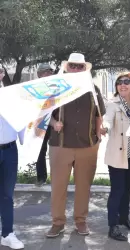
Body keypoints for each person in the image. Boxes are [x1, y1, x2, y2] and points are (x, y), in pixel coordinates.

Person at [46, 53, 106, 238]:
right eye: (73, 65)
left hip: (87, 146)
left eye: (80, 66)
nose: (76, 69)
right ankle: (57, 223)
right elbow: (44, 113)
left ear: (85, 69)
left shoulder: (93, 89)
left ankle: (81, 221)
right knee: (58, 187)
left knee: (83, 187)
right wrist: (54, 123)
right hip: (60, 145)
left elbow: (98, 114)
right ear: (67, 67)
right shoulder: (56, 87)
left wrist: (98, 132)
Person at [102, 72, 130, 241]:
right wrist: (104, 128)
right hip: (117, 154)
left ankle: (124, 218)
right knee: (117, 190)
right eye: (119, 82)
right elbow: (107, 119)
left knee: (127, 189)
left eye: (127, 82)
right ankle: (112, 226)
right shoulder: (112, 104)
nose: (122, 85)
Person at [0, 72, 25, 249]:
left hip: (9, 150)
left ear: (1, 74)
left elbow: (23, 121)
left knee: (7, 195)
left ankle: (7, 233)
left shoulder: (12, 97)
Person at [35, 63, 54, 186]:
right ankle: (41, 178)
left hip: (55, 123)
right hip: (41, 123)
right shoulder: (35, 87)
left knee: (57, 150)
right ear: (39, 74)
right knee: (40, 150)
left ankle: (59, 177)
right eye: (45, 72)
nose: (48, 74)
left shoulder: (57, 86)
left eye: (49, 71)